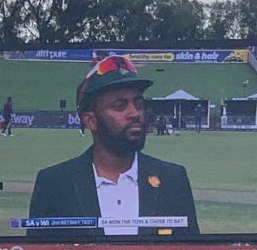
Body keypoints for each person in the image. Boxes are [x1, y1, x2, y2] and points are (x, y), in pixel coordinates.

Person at [28, 55, 199, 239]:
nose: (135, 113)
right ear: (90, 119)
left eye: (138, 104)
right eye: (120, 106)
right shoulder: (54, 183)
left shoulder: (173, 179)